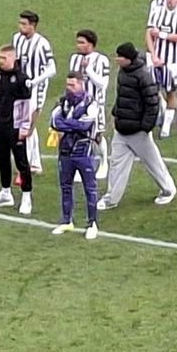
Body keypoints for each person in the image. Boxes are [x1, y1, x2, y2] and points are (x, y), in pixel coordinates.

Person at [99, 43, 177, 209]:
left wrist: (145, 127)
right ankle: (111, 198)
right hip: (121, 128)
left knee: (152, 162)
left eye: (119, 56)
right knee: (116, 164)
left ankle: (168, 190)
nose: (117, 59)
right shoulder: (123, 72)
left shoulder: (143, 76)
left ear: (128, 59)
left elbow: (152, 103)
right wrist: (116, 113)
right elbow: (122, 97)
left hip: (138, 131)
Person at [48, 73, 101, 239]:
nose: (69, 88)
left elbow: (86, 124)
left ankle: (92, 223)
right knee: (65, 186)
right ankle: (66, 221)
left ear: (81, 85)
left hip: (83, 150)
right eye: (68, 85)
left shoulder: (91, 103)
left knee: (89, 187)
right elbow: (55, 122)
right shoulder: (63, 102)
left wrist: (67, 125)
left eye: (72, 85)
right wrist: (74, 126)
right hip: (65, 150)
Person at [0, 45, 34, 215]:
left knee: (21, 162)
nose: (0, 61)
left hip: (16, 128)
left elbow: (28, 105)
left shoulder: (22, 79)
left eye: (4, 58)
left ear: (14, 58)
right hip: (0, 126)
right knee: (2, 159)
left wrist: (25, 127)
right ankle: (5, 192)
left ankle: (26, 196)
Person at [12, 11, 56, 176]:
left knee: (26, 126)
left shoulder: (42, 43)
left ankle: (23, 169)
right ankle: (35, 164)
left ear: (33, 25)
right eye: (20, 23)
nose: (21, 27)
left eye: (24, 24)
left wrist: (34, 81)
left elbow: (52, 69)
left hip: (35, 91)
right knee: (26, 126)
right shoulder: (17, 39)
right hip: (20, 89)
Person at [146, 0, 177, 139]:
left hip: (173, 61)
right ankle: (158, 115)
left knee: (171, 92)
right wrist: (153, 55)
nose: (170, 0)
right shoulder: (157, 11)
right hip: (157, 58)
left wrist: (161, 34)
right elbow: (148, 34)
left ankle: (166, 126)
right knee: (153, 90)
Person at [68, 30, 113, 181]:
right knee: (78, 135)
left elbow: (103, 84)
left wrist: (88, 69)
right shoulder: (74, 58)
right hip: (77, 105)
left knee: (97, 135)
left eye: (82, 42)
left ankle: (104, 162)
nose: (78, 45)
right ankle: (81, 167)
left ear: (91, 44)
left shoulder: (102, 60)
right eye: (77, 42)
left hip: (95, 104)